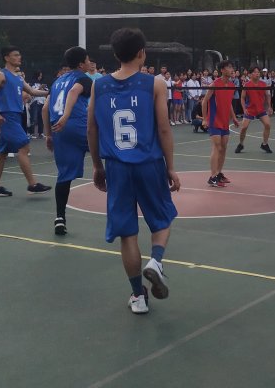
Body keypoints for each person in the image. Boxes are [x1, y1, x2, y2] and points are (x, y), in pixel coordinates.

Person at [88, 28, 180, 315]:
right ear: (142, 52)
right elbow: (164, 128)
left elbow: (92, 129)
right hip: (148, 163)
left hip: (116, 167)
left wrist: (97, 165)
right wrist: (170, 167)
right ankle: (156, 261)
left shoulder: (99, 85)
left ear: (116, 54)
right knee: (162, 218)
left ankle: (138, 296)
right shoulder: (155, 83)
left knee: (127, 233)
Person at [0, 46, 52, 197]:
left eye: (19, 55)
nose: (19, 57)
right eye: (15, 55)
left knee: (2, 153)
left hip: (16, 115)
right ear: (7, 58)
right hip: (7, 116)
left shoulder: (19, 78)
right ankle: (32, 184)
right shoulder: (1, 75)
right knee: (24, 147)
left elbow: (32, 91)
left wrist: (50, 92)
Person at [43, 46, 93, 236]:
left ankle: (60, 218)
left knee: (63, 176)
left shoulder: (57, 81)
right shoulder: (83, 79)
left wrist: (49, 134)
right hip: (78, 125)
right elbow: (73, 92)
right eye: (87, 60)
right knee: (113, 154)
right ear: (81, 64)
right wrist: (66, 116)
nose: (90, 63)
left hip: (59, 131)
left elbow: (45, 108)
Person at [203, 60, 240, 187]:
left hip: (225, 121)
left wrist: (234, 117)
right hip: (214, 120)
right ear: (222, 70)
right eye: (229, 67)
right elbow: (204, 101)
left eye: (232, 67)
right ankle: (212, 177)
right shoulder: (215, 84)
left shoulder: (231, 85)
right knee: (217, 147)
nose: (232, 69)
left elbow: (229, 103)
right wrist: (205, 119)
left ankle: (218, 174)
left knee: (223, 148)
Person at [235, 66, 273, 154]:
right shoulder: (247, 85)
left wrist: (269, 106)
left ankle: (264, 144)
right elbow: (242, 98)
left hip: (261, 109)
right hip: (250, 109)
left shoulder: (263, 84)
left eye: (258, 72)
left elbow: (267, 95)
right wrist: (244, 109)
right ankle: (241, 144)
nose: (257, 74)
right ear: (250, 74)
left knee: (267, 124)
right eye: (255, 72)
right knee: (244, 127)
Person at [28, 71, 48, 138]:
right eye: (39, 76)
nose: (40, 77)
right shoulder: (31, 83)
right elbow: (31, 91)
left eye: (41, 76)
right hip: (35, 102)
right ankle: (31, 133)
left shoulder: (42, 83)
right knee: (34, 118)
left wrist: (43, 88)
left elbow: (47, 91)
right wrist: (39, 88)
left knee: (41, 118)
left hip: (42, 102)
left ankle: (41, 132)